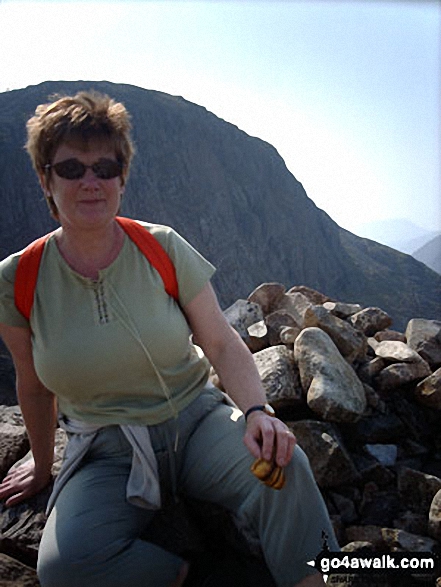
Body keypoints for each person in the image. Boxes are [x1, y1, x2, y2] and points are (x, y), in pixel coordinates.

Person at [0, 91, 338, 587]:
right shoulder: (18, 279)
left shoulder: (160, 247)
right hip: (106, 450)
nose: (90, 182)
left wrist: (258, 413)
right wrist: (42, 462)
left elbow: (221, 344)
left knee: (285, 472)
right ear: (45, 179)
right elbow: (32, 385)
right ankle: (201, 577)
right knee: (64, 568)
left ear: (123, 175)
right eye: (71, 169)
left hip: (196, 420)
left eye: (105, 167)